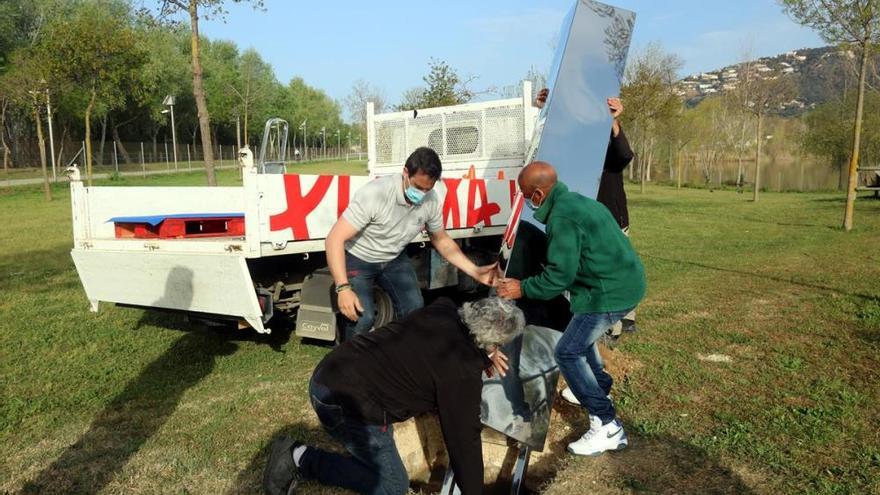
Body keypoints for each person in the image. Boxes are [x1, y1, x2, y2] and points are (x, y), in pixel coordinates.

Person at [262, 297, 525, 495]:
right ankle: (299, 457)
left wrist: (485, 352)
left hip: (334, 368)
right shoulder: (460, 372)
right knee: (393, 486)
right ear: (492, 340)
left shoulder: (443, 309)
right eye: (499, 344)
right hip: (344, 404)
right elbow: (464, 440)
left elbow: (451, 344)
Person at [496, 161, 646, 456]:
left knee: (567, 351)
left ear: (538, 194)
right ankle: (599, 383)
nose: (526, 201)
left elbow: (557, 278)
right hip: (622, 283)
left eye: (526, 195)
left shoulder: (562, 217)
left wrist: (521, 287)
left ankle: (607, 425)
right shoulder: (578, 202)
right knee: (578, 333)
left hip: (609, 294)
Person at [325, 146, 497, 341]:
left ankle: (402, 358)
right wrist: (343, 288)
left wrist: (474, 270)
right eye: (418, 187)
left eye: (427, 188)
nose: (422, 194)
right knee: (362, 318)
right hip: (359, 258)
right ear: (406, 173)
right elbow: (334, 239)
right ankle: (347, 364)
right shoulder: (375, 194)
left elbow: (441, 240)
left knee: (414, 311)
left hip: (393, 259)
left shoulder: (431, 200)